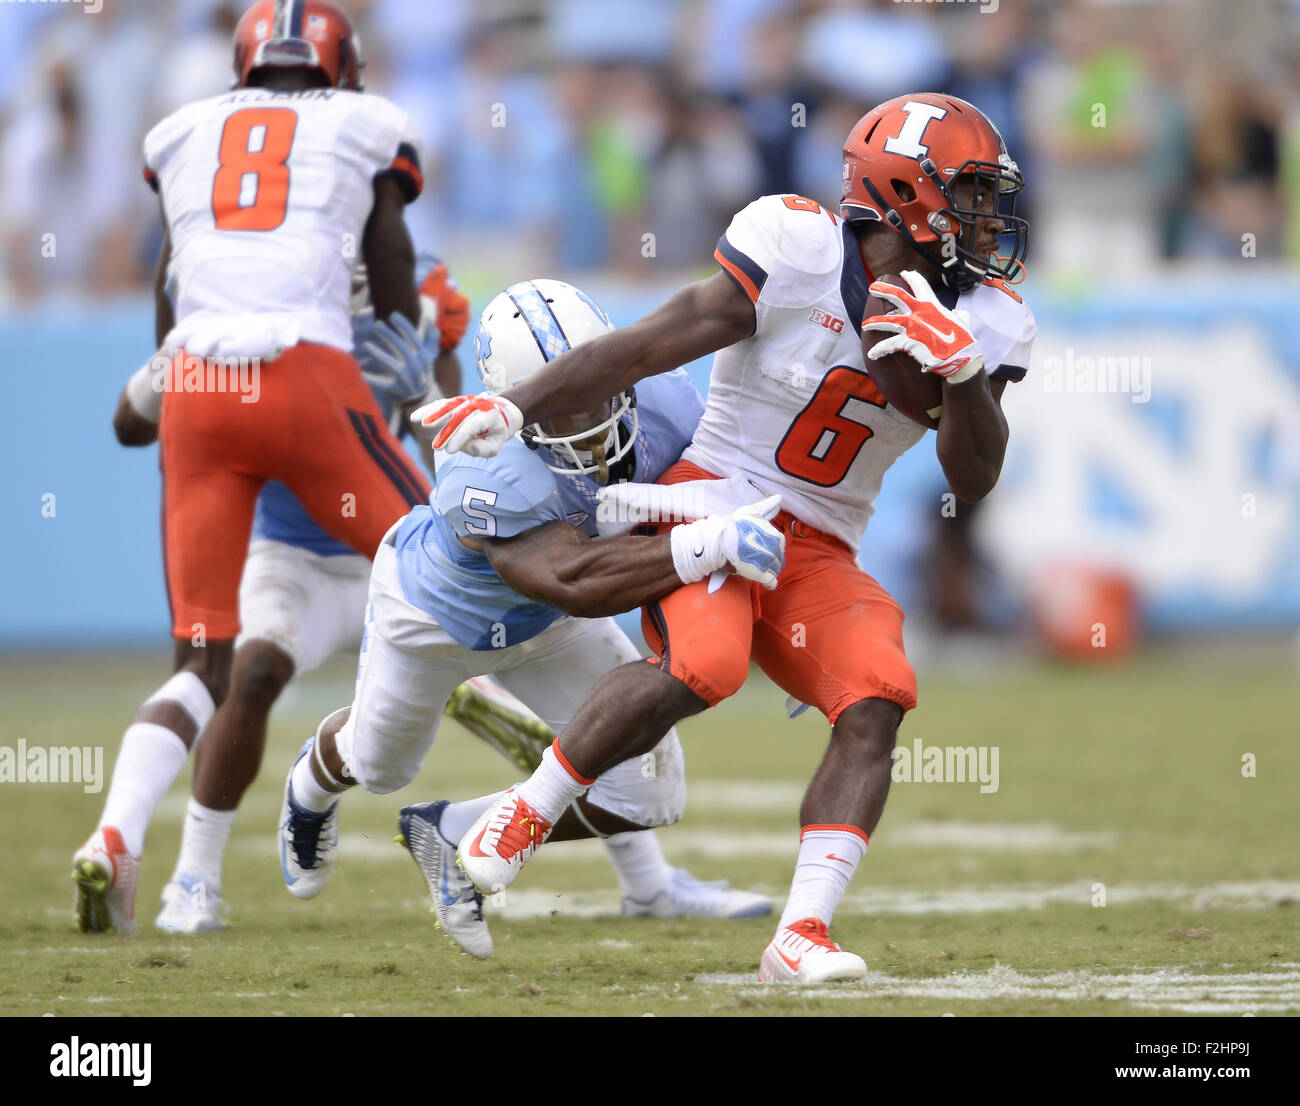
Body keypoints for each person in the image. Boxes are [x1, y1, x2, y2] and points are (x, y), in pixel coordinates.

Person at [418, 93, 1038, 983]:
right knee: (704, 663)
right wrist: (516, 404)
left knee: (877, 693)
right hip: (711, 501)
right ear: (908, 191)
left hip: (821, 540)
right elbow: (650, 345)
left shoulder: (988, 318)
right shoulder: (797, 246)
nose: (989, 214)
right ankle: (522, 814)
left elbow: (974, 474)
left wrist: (966, 375)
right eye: (971, 190)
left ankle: (801, 937)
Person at [279, 278, 777, 960]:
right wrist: (705, 545)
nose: (592, 416)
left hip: (544, 628)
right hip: (436, 619)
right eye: (565, 405)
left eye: (596, 385)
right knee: (378, 763)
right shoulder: (484, 464)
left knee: (648, 784)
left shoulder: (663, 397)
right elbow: (571, 579)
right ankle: (310, 783)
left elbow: (713, 487)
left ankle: (450, 832)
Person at [72, 0, 433, 935]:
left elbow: (170, 279)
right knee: (452, 562)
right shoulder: (366, 122)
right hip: (303, 374)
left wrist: (173, 367)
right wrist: (398, 337)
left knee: (201, 656)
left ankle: (125, 843)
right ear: (342, 68)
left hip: (197, 384)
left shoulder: (182, 128)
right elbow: (389, 249)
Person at [109, 253, 465, 934]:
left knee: (516, 656)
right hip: (293, 554)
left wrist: (424, 400)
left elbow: (447, 455)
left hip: (386, 545)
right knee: (252, 669)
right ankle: (194, 876)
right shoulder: (257, 306)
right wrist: (175, 358)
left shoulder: (418, 293)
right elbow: (138, 417)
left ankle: (643, 873)